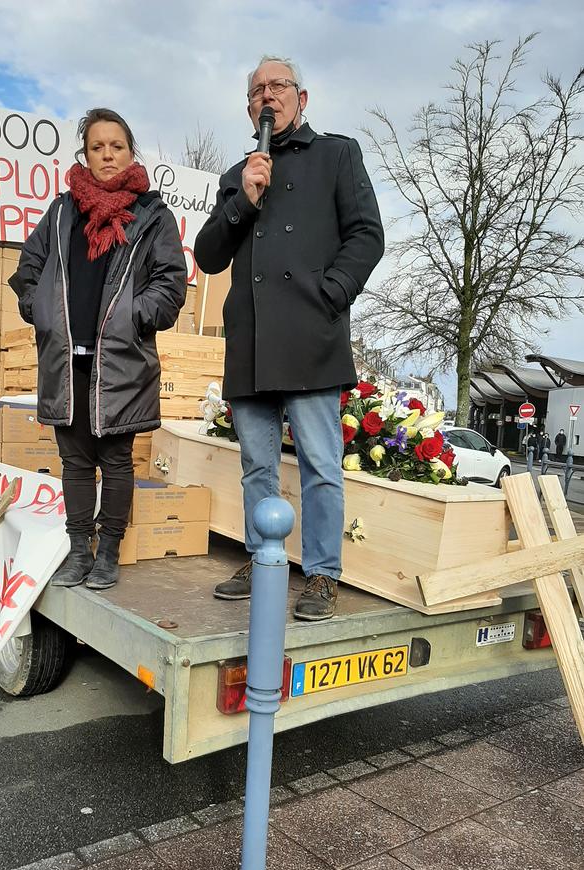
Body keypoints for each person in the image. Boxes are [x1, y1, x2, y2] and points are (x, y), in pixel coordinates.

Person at [195, 55, 384, 620]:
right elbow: (208, 255)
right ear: (249, 108)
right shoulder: (239, 175)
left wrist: (331, 294)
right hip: (251, 344)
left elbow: (367, 234)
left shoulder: (337, 155)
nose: (267, 95)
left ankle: (322, 574)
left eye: (278, 86)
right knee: (257, 466)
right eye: (257, 90)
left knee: (321, 465)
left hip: (311, 336)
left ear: (301, 98)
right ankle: (263, 559)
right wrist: (244, 200)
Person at [9, 108, 186, 590]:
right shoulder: (63, 212)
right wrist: (41, 310)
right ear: (85, 155)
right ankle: (78, 550)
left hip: (121, 360)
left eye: (116, 146)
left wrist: (134, 316)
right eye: (97, 147)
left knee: (116, 459)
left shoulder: (153, 216)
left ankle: (107, 552)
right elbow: (28, 269)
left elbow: (170, 283)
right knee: (76, 462)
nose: (107, 155)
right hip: (67, 361)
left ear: (131, 152)